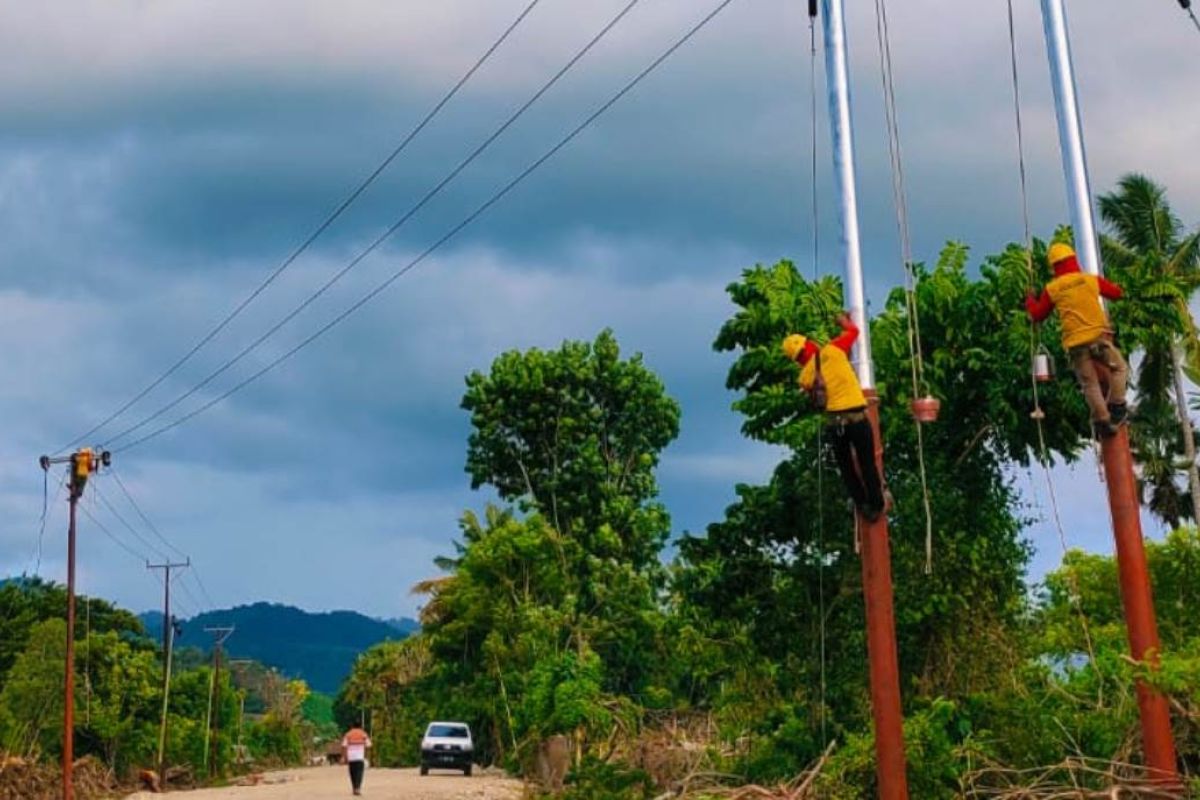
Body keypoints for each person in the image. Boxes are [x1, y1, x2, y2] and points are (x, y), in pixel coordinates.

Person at [783, 312, 886, 521]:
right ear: (809, 344)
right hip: (856, 418)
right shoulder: (834, 349)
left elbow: (811, 392)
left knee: (846, 468)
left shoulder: (804, 377)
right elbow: (854, 332)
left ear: (796, 359)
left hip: (835, 424)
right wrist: (844, 322)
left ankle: (861, 504)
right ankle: (877, 505)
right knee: (867, 463)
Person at [1025, 242, 1129, 438]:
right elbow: (1116, 293)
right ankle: (1116, 406)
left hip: (1075, 345)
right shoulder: (1089, 280)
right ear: (1073, 259)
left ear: (1054, 266)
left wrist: (1030, 300)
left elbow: (1037, 315)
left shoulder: (1053, 288)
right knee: (1120, 368)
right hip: (1099, 337)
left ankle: (1102, 420)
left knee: (1089, 385)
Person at [341, 725, 372, 796]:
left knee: (352, 773)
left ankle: (354, 788)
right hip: (360, 757)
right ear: (360, 727)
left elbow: (344, 745)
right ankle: (358, 788)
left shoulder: (348, 734)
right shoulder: (363, 734)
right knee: (359, 774)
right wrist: (366, 755)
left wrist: (344, 756)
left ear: (352, 727)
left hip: (351, 757)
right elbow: (369, 745)